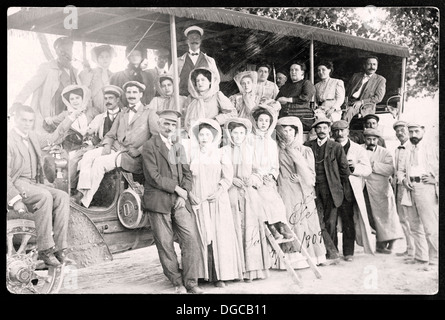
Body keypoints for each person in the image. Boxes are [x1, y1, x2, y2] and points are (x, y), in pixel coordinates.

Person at [141, 109, 204, 294]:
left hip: (179, 201)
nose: (169, 127)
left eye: (173, 124)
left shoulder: (178, 147)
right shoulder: (150, 146)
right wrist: (177, 189)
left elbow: (186, 173)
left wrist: (182, 193)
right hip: (158, 201)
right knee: (165, 243)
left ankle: (191, 283)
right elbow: (153, 176)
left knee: (191, 239)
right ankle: (177, 282)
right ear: (159, 124)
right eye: (166, 123)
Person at [7, 104, 72, 267]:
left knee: (63, 197)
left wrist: (70, 118)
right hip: (17, 182)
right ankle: (45, 249)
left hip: (33, 183)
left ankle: (60, 249)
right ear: (15, 119)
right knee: (44, 196)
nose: (27, 123)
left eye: (30, 120)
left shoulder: (33, 136)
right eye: (23, 120)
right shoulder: (9, 141)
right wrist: (15, 200)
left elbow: (54, 138)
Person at [73, 81, 151, 207]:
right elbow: (110, 134)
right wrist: (107, 146)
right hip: (115, 149)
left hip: (131, 156)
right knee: (88, 156)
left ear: (141, 94)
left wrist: (140, 150)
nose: (131, 95)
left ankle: (84, 202)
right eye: (129, 92)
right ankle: (81, 192)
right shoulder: (123, 113)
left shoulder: (149, 113)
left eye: (134, 92)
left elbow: (156, 137)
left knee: (99, 162)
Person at [188, 119, 244, 287]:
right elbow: (186, 177)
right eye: (201, 134)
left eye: (208, 134)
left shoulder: (220, 154)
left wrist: (219, 191)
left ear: (214, 137)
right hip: (198, 199)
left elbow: (227, 177)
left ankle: (220, 275)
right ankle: (200, 274)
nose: (204, 137)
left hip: (217, 200)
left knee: (219, 235)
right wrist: (191, 194)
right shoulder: (192, 154)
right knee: (200, 235)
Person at [276, 116, 328, 266]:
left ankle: (312, 257)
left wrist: (300, 177)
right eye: (284, 130)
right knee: (289, 220)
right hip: (285, 188)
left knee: (306, 222)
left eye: (290, 130)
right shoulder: (278, 150)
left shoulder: (305, 150)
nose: (287, 133)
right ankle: (292, 259)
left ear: (296, 132)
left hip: (302, 190)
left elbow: (311, 174)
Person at [223, 118, 270, 282]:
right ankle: (237, 271)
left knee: (250, 230)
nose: (238, 136)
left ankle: (252, 270)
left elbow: (259, 171)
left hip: (249, 194)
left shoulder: (251, 150)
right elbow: (220, 173)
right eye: (235, 132)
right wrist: (231, 180)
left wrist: (253, 178)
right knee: (234, 228)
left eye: (241, 133)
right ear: (229, 133)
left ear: (246, 134)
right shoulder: (224, 151)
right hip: (231, 194)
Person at [303, 117, 351, 263]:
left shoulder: (336, 147)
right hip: (313, 188)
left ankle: (331, 252)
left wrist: (342, 190)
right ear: (315, 131)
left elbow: (345, 170)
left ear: (329, 130)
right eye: (318, 128)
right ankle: (325, 251)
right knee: (317, 221)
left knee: (331, 222)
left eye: (324, 128)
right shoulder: (307, 146)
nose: (321, 131)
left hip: (331, 190)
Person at [12, 37, 80, 130]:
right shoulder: (47, 68)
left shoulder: (75, 72)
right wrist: (18, 102)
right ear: (57, 52)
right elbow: (30, 85)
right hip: (49, 117)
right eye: (61, 50)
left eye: (68, 50)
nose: (65, 53)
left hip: (68, 118)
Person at [331, 120, 374, 260]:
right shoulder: (330, 146)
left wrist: (355, 168)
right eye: (336, 130)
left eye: (342, 130)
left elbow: (368, 169)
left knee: (348, 219)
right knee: (331, 220)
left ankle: (348, 252)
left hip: (349, 188)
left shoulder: (357, 149)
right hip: (332, 188)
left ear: (348, 131)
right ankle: (333, 251)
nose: (340, 133)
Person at [397, 123, 438, 266]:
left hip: (426, 188)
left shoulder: (432, 147)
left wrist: (436, 179)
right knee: (414, 225)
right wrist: (402, 179)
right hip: (409, 189)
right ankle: (421, 257)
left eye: (416, 131)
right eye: (411, 132)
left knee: (430, 226)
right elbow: (400, 170)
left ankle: (435, 259)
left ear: (423, 130)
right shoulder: (407, 149)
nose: (413, 135)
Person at [69, 85, 123, 193]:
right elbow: (89, 133)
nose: (108, 101)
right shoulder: (100, 118)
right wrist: (89, 141)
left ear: (117, 100)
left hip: (118, 149)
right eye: (106, 98)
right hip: (101, 148)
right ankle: (81, 191)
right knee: (84, 157)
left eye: (111, 98)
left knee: (92, 159)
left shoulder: (124, 116)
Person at [250, 105, 291, 241]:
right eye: (261, 120)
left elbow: (275, 164)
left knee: (276, 198)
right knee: (264, 196)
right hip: (255, 176)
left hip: (268, 178)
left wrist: (272, 176)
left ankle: (280, 224)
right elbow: (249, 161)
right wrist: (260, 175)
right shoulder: (250, 140)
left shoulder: (271, 142)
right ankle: (271, 226)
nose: (263, 124)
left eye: (266, 121)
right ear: (256, 122)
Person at [362, 128, 404, 254]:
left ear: (378, 140)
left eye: (374, 139)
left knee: (386, 217)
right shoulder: (359, 149)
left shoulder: (385, 152)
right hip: (364, 189)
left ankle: (387, 244)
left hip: (381, 189)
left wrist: (372, 165)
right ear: (365, 139)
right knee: (370, 218)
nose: (371, 141)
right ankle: (379, 244)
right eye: (369, 139)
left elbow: (390, 169)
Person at [392, 120, 420, 259]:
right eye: (397, 131)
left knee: (411, 220)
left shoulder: (413, 148)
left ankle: (415, 251)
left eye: (402, 130)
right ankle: (409, 249)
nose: (399, 133)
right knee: (403, 219)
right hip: (398, 188)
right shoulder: (397, 149)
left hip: (409, 188)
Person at [42, 84, 93, 154]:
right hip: (71, 147)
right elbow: (52, 123)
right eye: (72, 99)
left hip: (88, 146)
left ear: (83, 98)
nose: (75, 101)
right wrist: (49, 120)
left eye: (77, 98)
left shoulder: (92, 112)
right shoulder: (65, 114)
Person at [183, 67, 237, 132]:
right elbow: (184, 117)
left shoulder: (217, 95)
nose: (200, 83)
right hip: (192, 132)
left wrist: (216, 120)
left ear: (210, 82)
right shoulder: (190, 98)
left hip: (211, 132)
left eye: (203, 80)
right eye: (197, 81)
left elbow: (232, 113)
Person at [171, 26, 220, 96]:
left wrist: (210, 96)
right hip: (184, 99)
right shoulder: (177, 62)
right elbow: (171, 81)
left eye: (197, 38)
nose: (194, 40)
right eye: (191, 38)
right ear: (187, 41)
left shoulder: (210, 61)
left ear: (200, 41)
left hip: (204, 99)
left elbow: (216, 81)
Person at [343, 56, 386, 123]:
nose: (372, 67)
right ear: (364, 66)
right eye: (369, 64)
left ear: (377, 66)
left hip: (366, 106)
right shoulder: (356, 76)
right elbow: (347, 90)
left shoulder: (380, 80)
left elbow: (378, 98)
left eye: (374, 64)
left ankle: (343, 130)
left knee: (349, 111)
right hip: (349, 102)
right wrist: (345, 102)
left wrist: (361, 102)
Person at [276, 61, 315, 131]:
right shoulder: (285, 86)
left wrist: (288, 100)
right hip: (285, 116)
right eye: (291, 70)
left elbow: (306, 97)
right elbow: (278, 98)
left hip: (302, 118)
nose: (293, 72)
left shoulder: (306, 83)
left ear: (302, 72)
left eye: (296, 70)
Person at [79, 44, 116, 118]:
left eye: (107, 57)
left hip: (110, 109)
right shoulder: (90, 72)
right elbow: (84, 91)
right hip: (93, 109)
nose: (105, 59)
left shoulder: (113, 75)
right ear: (97, 59)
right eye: (101, 57)